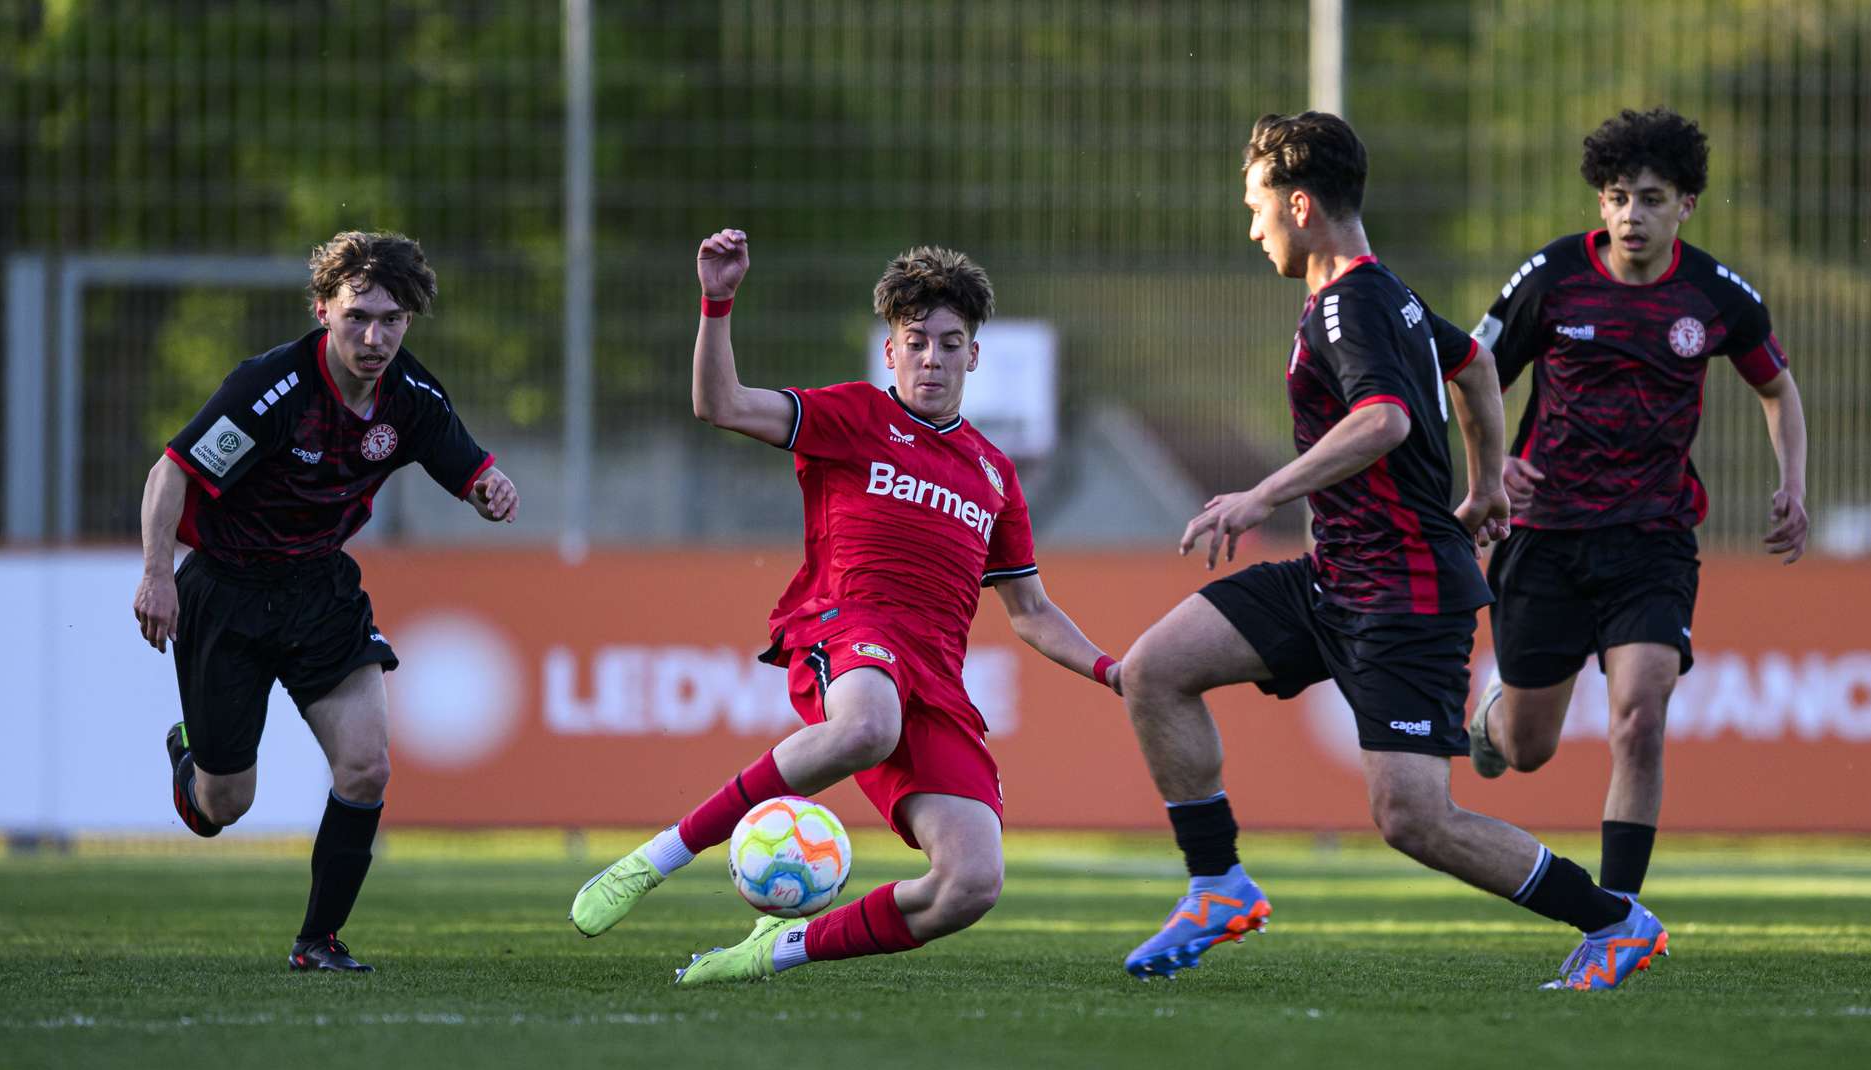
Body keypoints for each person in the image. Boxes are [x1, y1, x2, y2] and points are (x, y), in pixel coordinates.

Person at [1116, 112, 1666, 991]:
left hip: (1404, 595)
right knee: (1153, 669)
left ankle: (1615, 921)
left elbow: (1384, 419)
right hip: (1335, 577)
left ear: (1300, 205)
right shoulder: (1386, 294)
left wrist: (1261, 493)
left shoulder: (1352, 303)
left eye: (1257, 206)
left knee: (1414, 819)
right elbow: (1478, 365)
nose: (1252, 226)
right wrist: (1487, 485)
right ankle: (1217, 884)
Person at [569, 230, 1122, 986]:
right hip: (849, 624)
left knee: (971, 884)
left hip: (936, 680)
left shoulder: (994, 474)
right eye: (917, 341)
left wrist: (1109, 667)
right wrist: (718, 300)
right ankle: (657, 857)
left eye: (950, 344)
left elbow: (1029, 609)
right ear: (890, 352)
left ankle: (776, 950)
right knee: (866, 724)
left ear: (975, 356)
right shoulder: (855, 416)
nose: (933, 358)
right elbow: (718, 404)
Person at [131, 230, 519, 973]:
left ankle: (318, 941)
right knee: (223, 806)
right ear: (323, 312)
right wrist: (156, 575)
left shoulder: (410, 397)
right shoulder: (272, 390)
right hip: (226, 591)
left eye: (392, 320)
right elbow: (169, 473)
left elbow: (467, 467)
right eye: (357, 318)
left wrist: (488, 490)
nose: (375, 337)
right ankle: (192, 761)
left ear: (410, 321)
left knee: (367, 767)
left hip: (320, 590)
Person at [1466, 108, 1808, 931]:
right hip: (1544, 538)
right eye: (1617, 197)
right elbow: (1474, 372)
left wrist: (1792, 483)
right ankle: (1492, 720)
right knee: (1528, 749)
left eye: (1650, 199)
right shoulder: (1550, 279)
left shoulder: (1716, 296)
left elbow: (1776, 386)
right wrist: (1492, 468)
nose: (1630, 216)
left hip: (1652, 539)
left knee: (1640, 711)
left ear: (1685, 204)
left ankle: (1618, 917)